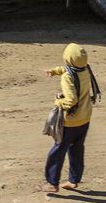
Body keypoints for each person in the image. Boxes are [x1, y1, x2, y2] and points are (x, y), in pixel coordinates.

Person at [42, 43, 102, 195]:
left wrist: (57, 101)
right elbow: (68, 70)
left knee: (57, 151)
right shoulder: (85, 69)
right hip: (85, 117)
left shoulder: (68, 77)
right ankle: (74, 180)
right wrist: (54, 71)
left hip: (70, 121)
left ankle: (52, 183)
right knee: (76, 148)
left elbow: (71, 101)